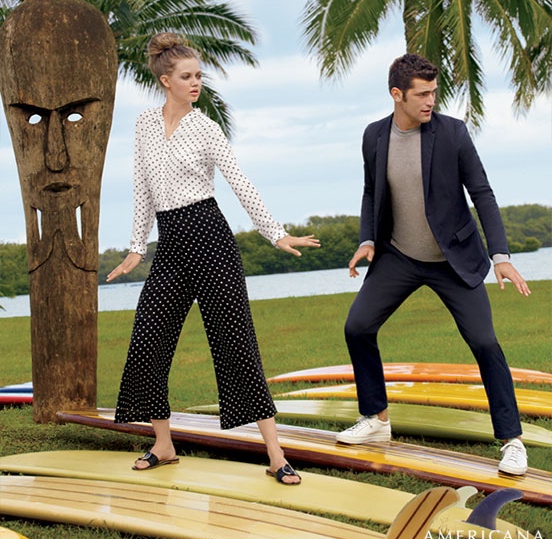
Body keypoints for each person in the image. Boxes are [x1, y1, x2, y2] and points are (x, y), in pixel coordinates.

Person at [107, 32, 320, 484]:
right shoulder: (144, 124)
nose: (196, 83)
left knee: (236, 345)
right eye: (187, 76)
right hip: (171, 246)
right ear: (165, 80)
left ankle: (276, 455)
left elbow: (240, 181)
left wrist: (276, 233)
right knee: (147, 341)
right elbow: (142, 187)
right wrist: (136, 247)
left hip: (210, 240)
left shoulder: (205, 127)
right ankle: (163, 444)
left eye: (199, 76)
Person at [337, 53, 530, 476]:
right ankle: (376, 420)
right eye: (422, 94)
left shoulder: (452, 132)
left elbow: (482, 192)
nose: (430, 101)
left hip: (453, 259)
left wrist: (500, 256)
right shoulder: (374, 136)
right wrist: (367, 239)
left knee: (484, 342)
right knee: (358, 326)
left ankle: (512, 441)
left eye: (434, 92)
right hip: (398, 255)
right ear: (397, 94)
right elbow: (371, 191)